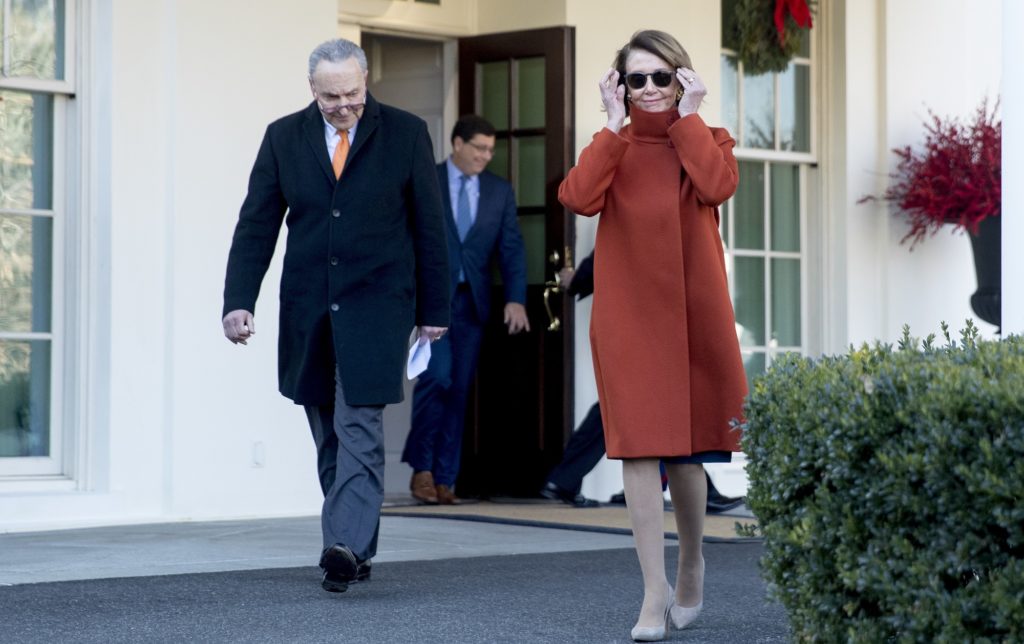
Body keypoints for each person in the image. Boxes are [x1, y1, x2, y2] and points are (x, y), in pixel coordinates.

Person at [221, 38, 450, 594]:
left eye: (351, 93)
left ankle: (342, 546)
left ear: (365, 81)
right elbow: (257, 223)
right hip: (309, 308)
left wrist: (434, 308)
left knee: (359, 424)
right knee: (327, 431)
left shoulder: (405, 133)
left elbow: (430, 225)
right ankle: (355, 546)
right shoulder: (283, 137)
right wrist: (237, 301)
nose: (343, 105)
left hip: (378, 306)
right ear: (312, 90)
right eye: (331, 97)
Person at [557, 30, 747, 641]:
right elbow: (578, 198)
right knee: (637, 448)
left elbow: (716, 187)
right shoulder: (611, 145)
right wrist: (613, 126)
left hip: (693, 314)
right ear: (620, 85)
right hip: (629, 315)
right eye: (635, 79)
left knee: (687, 453)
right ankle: (652, 590)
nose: (648, 90)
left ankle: (690, 562)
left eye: (660, 77)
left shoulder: (708, 139)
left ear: (682, 79)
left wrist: (688, 119)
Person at [541, 252, 745, 515]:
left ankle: (566, 480)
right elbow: (614, 244)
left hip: (645, 315)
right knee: (643, 405)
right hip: (643, 318)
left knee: (635, 405)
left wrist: (579, 279)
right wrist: (579, 278)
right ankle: (571, 480)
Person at [401, 115, 529, 505]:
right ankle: (421, 469)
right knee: (436, 378)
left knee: (457, 390)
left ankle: (445, 479)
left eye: (491, 150)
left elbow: (511, 248)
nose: (486, 156)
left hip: (472, 303)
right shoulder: (427, 179)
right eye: (479, 148)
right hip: (432, 301)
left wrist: (516, 297)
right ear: (457, 143)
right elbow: (407, 235)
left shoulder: (498, 192)